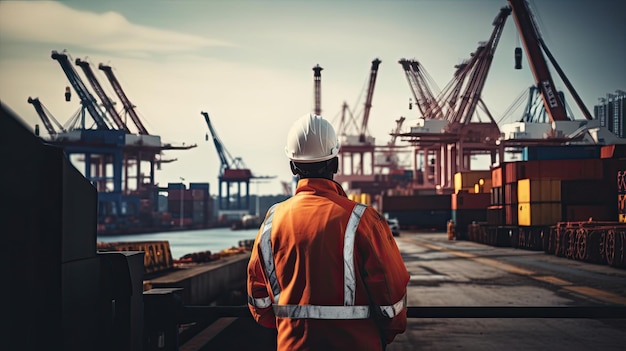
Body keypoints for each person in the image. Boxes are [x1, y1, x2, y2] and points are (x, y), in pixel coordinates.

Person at [247, 114, 409, 351]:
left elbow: (259, 298)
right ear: (335, 163)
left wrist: (292, 327)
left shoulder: (272, 221)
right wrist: (383, 334)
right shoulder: (363, 219)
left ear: (293, 166)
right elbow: (391, 295)